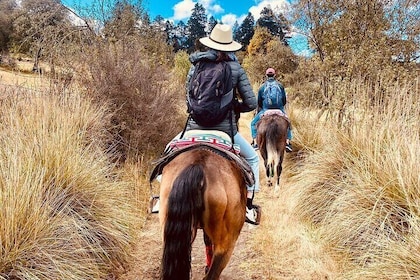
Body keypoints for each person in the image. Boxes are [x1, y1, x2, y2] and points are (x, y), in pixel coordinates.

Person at [185, 24, 261, 225]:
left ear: (210, 44)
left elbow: (189, 99)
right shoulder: (236, 68)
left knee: (168, 153)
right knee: (253, 159)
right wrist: (234, 106)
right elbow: (252, 103)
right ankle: (248, 208)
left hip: (193, 127)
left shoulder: (196, 65)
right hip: (225, 130)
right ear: (230, 47)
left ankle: (159, 199)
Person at [250, 67, 293, 152]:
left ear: (266, 75)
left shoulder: (262, 87)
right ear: (274, 75)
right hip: (279, 109)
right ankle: (288, 143)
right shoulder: (280, 86)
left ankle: (255, 143)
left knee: (253, 123)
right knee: (288, 123)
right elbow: (284, 100)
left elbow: (259, 101)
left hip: (265, 110)